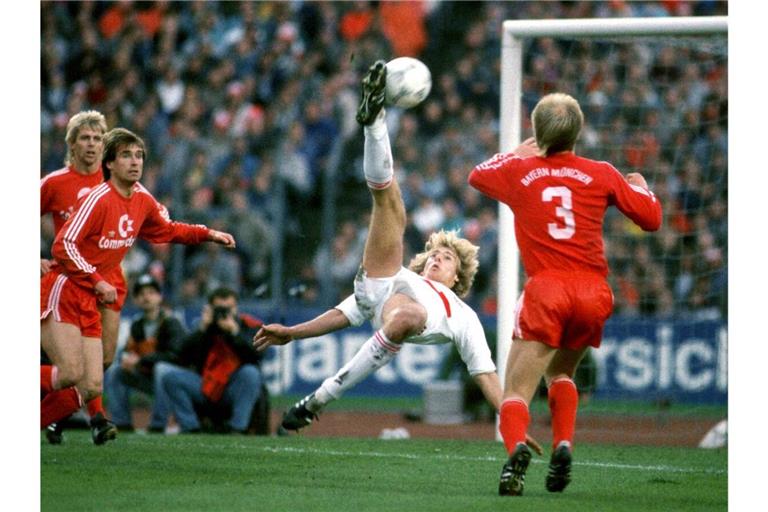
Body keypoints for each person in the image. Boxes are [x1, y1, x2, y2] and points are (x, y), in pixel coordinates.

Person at [252, 61, 541, 456]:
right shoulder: (407, 273)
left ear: (458, 278)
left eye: (448, 259)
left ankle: (317, 400)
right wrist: (292, 332)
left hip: (401, 313)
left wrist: (514, 425)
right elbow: (343, 313)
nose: (438, 258)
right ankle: (374, 119)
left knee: (409, 314)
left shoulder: (464, 317)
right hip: (382, 284)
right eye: (435, 253)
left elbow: (487, 377)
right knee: (390, 204)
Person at [468, 92, 662, 496]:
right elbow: (652, 219)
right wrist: (641, 187)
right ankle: (564, 445)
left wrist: (516, 151)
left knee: (517, 389)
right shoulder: (602, 172)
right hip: (593, 292)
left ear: (538, 133)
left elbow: (477, 175)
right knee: (562, 373)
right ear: (579, 132)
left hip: (548, 288)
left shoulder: (520, 172)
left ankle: (515, 454)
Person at [40, 128, 236, 440]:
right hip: (64, 289)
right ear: (111, 164)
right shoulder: (98, 198)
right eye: (126, 155)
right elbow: (63, 246)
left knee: (90, 385)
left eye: (139, 155)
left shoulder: (142, 199)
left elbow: (168, 229)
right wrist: (96, 278)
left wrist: (207, 233)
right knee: (70, 374)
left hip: (90, 298)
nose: (135, 162)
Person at [40, 110, 122, 444]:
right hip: (72, 282)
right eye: (85, 138)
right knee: (76, 371)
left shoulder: (112, 183)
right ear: (72, 144)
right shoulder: (55, 183)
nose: (92, 144)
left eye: (98, 138)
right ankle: (95, 419)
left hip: (109, 280)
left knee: (103, 359)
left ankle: (58, 415)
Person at [160, 287, 266, 434]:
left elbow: (256, 356)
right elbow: (182, 357)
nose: (224, 313)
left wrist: (234, 333)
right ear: (210, 308)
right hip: (206, 385)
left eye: (229, 308)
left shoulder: (248, 326)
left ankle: (237, 428)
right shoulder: (204, 327)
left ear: (236, 308)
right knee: (170, 378)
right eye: (219, 308)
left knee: (251, 373)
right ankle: (191, 427)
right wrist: (202, 330)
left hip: (233, 387)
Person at [103, 274, 186, 433]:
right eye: (141, 294)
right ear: (135, 300)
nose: (146, 297)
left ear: (160, 296)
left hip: (171, 381)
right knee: (116, 371)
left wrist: (141, 360)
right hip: (148, 377)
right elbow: (127, 352)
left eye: (150, 293)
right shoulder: (137, 325)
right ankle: (122, 423)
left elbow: (176, 356)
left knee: (162, 368)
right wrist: (126, 359)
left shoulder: (171, 322)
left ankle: (158, 424)